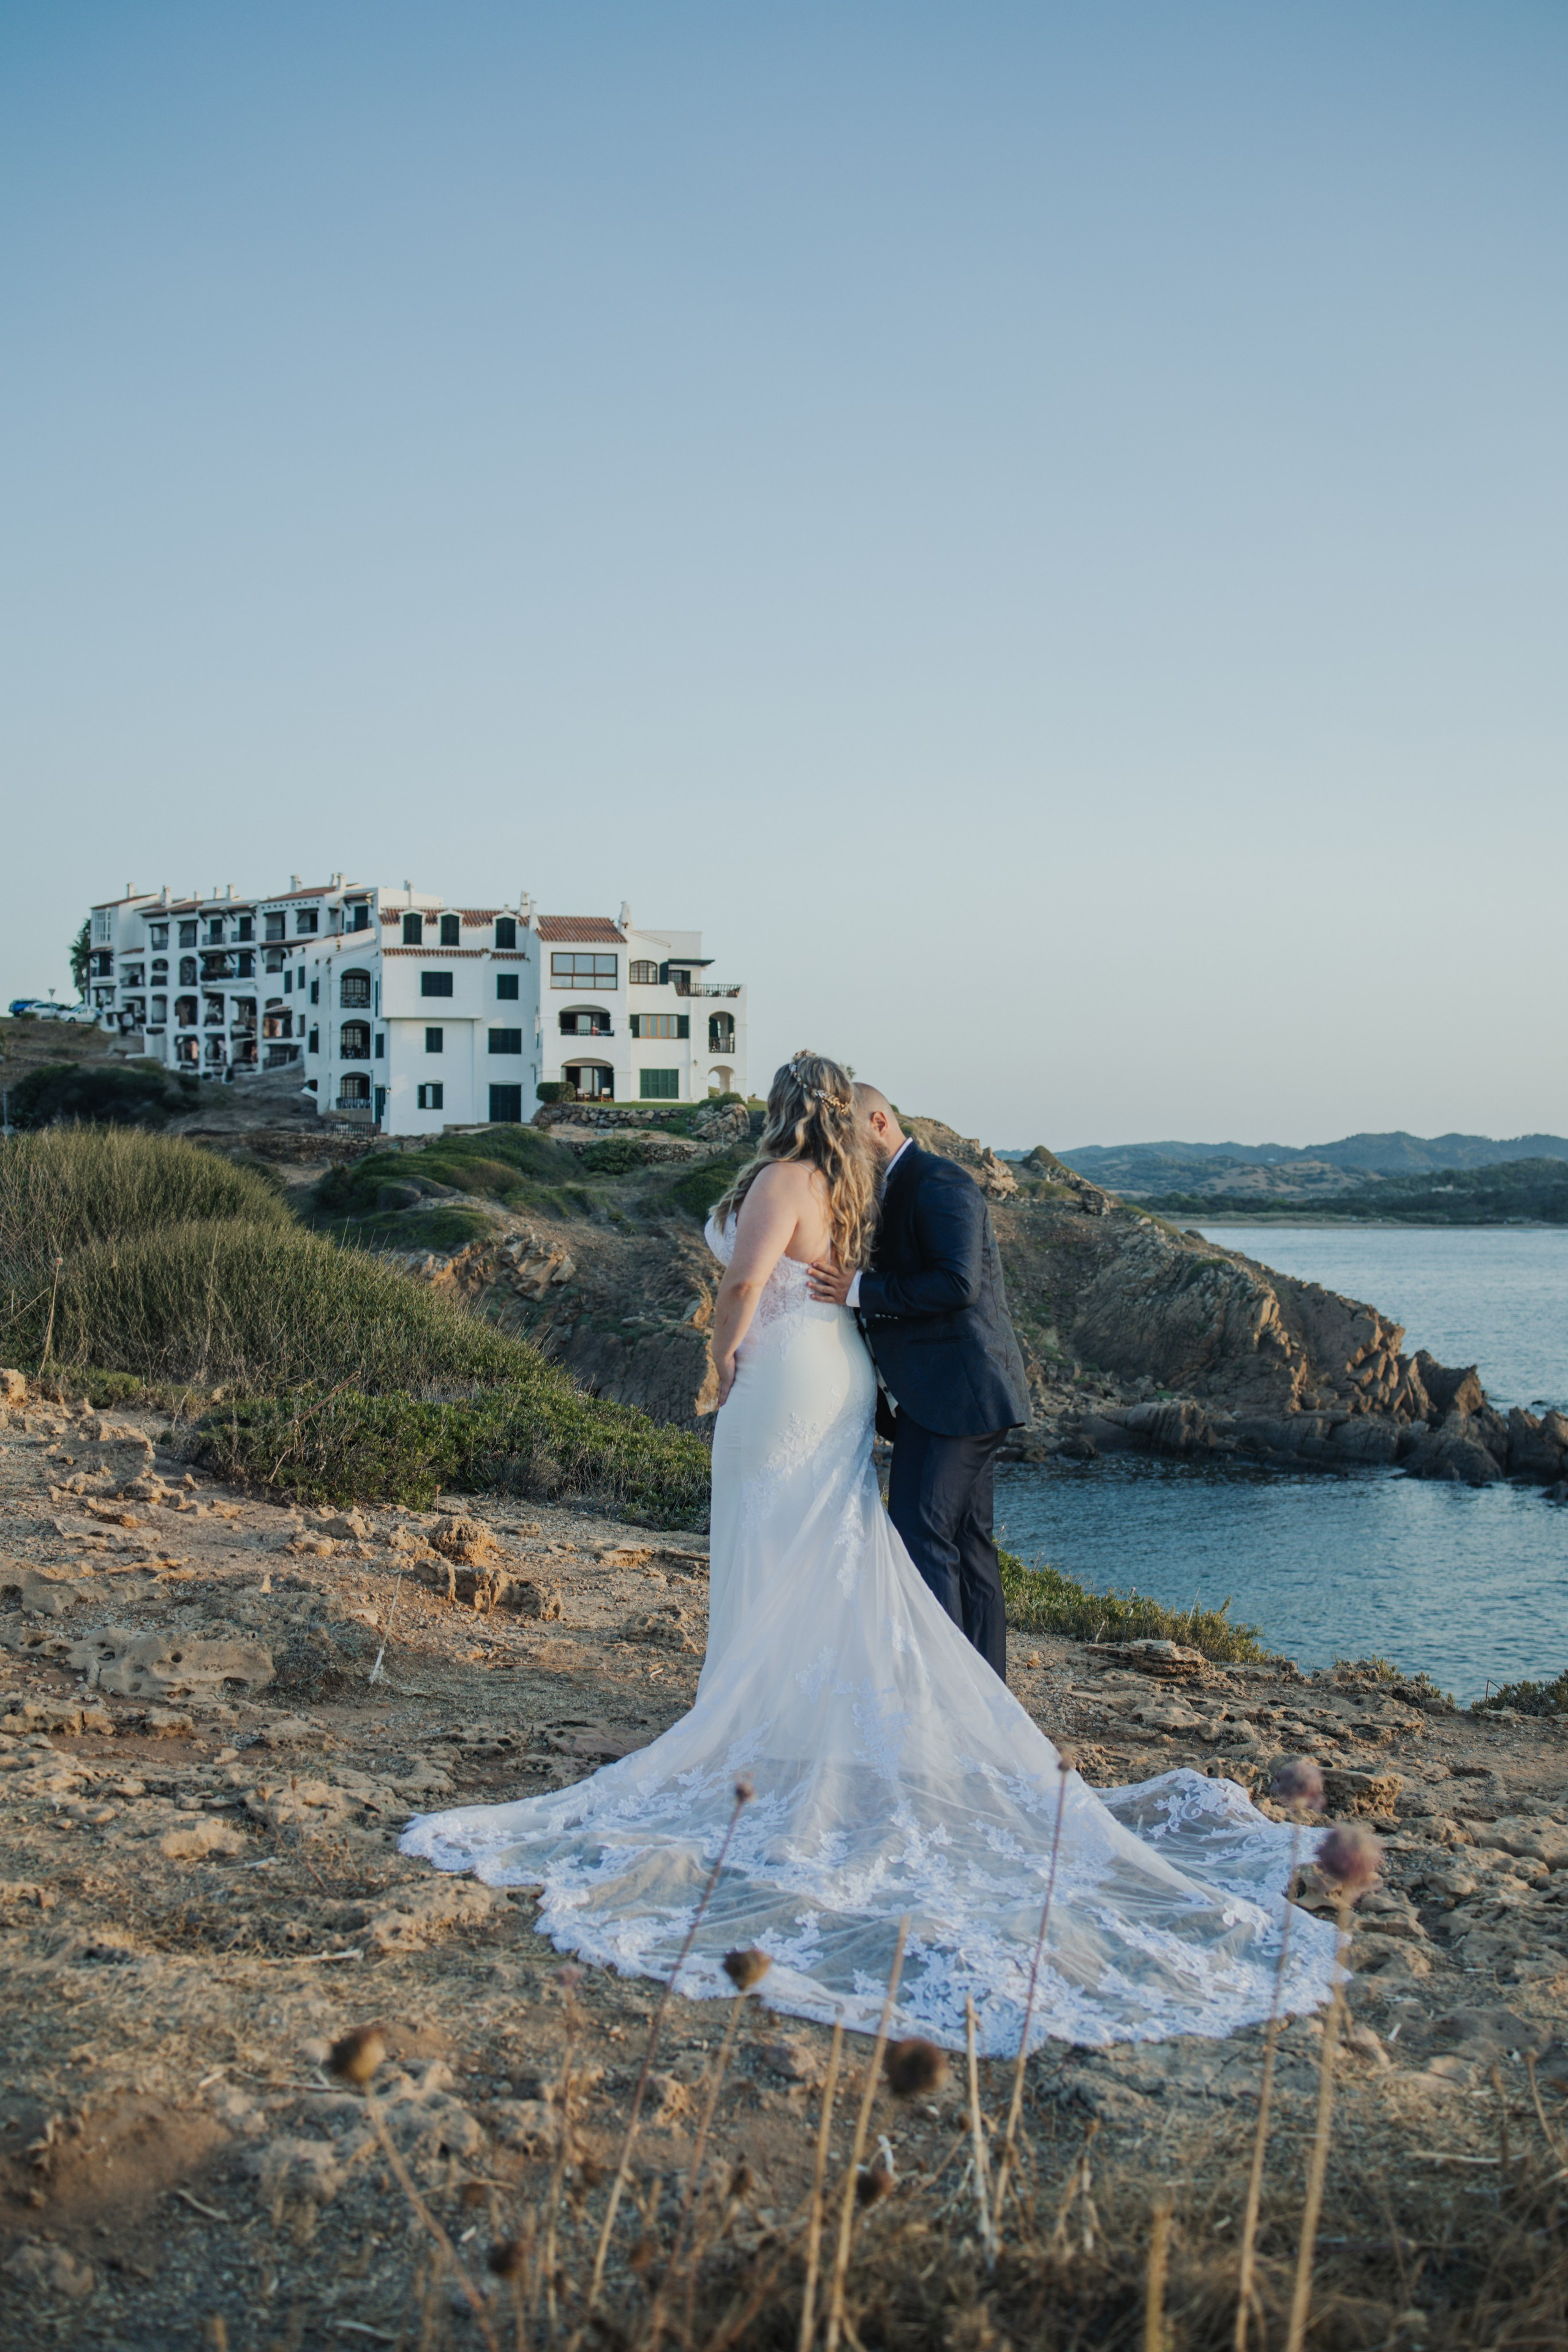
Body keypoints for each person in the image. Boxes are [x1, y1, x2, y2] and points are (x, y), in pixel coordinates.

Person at [399, 1052, 1337, 2053]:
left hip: (788, 1373)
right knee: (835, 1537)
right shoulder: (850, 1187)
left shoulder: (788, 1178)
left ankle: (776, 1708)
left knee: (787, 1531)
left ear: (779, 1109)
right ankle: (826, 1707)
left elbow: (745, 1283)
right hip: (835, 1370)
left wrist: (719, 1360)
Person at [805, 1086, 1028, 1681]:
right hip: (942, 1395)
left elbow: (958, 1284)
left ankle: (945, 1691)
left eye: (846, 1138)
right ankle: (986, 1695)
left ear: (879, 1123)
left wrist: (859, 1289)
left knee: (920, 1533)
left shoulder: (939, 1181)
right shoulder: (886, 1188)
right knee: (969, 1545)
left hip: (959, 1393)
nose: (840, 1152)